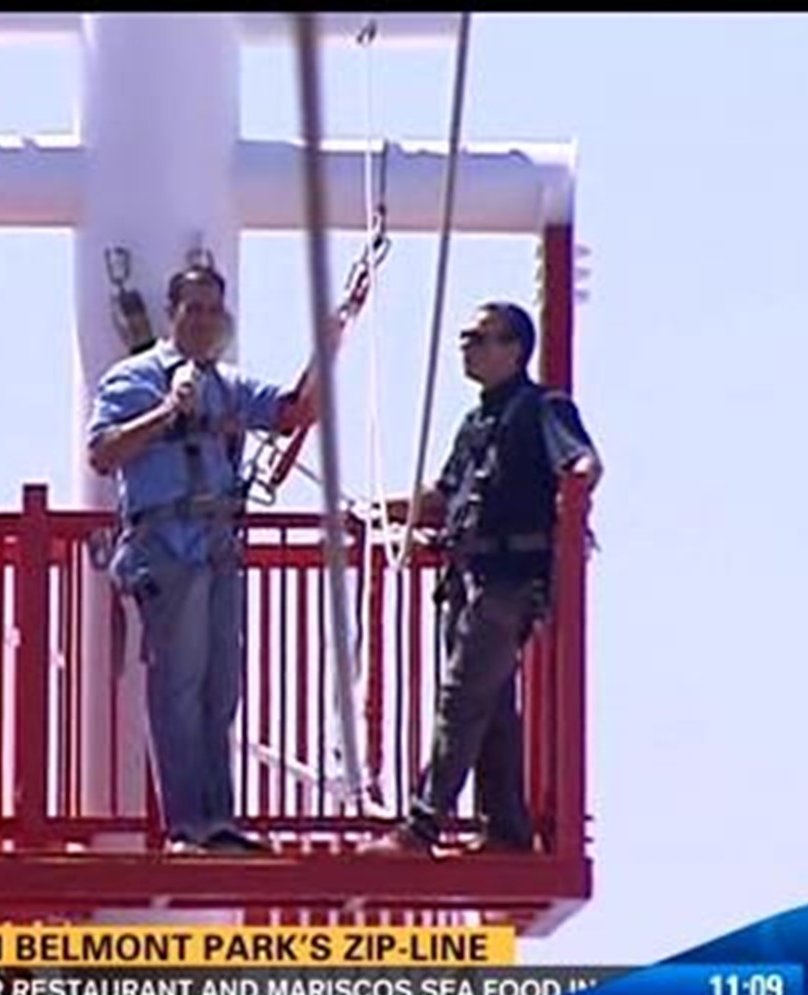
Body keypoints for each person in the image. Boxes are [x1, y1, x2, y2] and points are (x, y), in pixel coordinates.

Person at [86, 263, 318, 855]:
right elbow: (103, 452)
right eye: (194, 309)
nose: (205, 321)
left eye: (214, 310)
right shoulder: (134, 379)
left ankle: (218, 819)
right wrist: (166, 412)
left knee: (220, 687)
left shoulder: (226, 384)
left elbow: (292, 412)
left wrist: (331, 342)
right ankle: (187, 822)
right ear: (172, 313)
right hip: (167, 547)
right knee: (179, 685)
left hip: (216, 546)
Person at [362, 300, 602, 857]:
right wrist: (377, 508)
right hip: (470, 578)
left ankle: (421, 827)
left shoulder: (543, 408)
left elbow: (582, 462)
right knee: (489, 706)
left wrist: (578, 493)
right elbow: (445, 497)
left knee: (463, 697)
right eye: (467, 336)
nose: (466, 345)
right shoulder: (477, 421)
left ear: (514, 349)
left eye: (480, 337)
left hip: (509, 581)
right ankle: (506, 831)